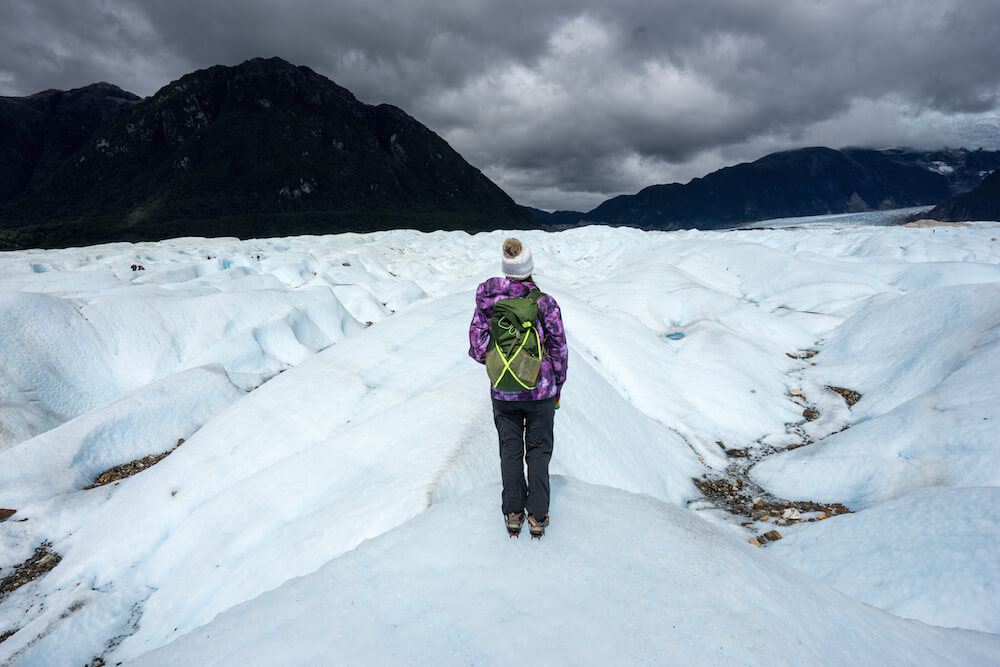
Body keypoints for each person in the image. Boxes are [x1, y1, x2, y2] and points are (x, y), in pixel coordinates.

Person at [469, 238, 568, 538]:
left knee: (510, 451)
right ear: (529, 268)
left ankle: (513, 514)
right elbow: (559, 348)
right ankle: (537, 517)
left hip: (504, 391)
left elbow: (476, 348)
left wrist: (503, 360)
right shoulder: (544, 303)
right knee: (538, 452)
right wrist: (556, 384)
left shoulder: (489, 302)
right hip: (541, 390)